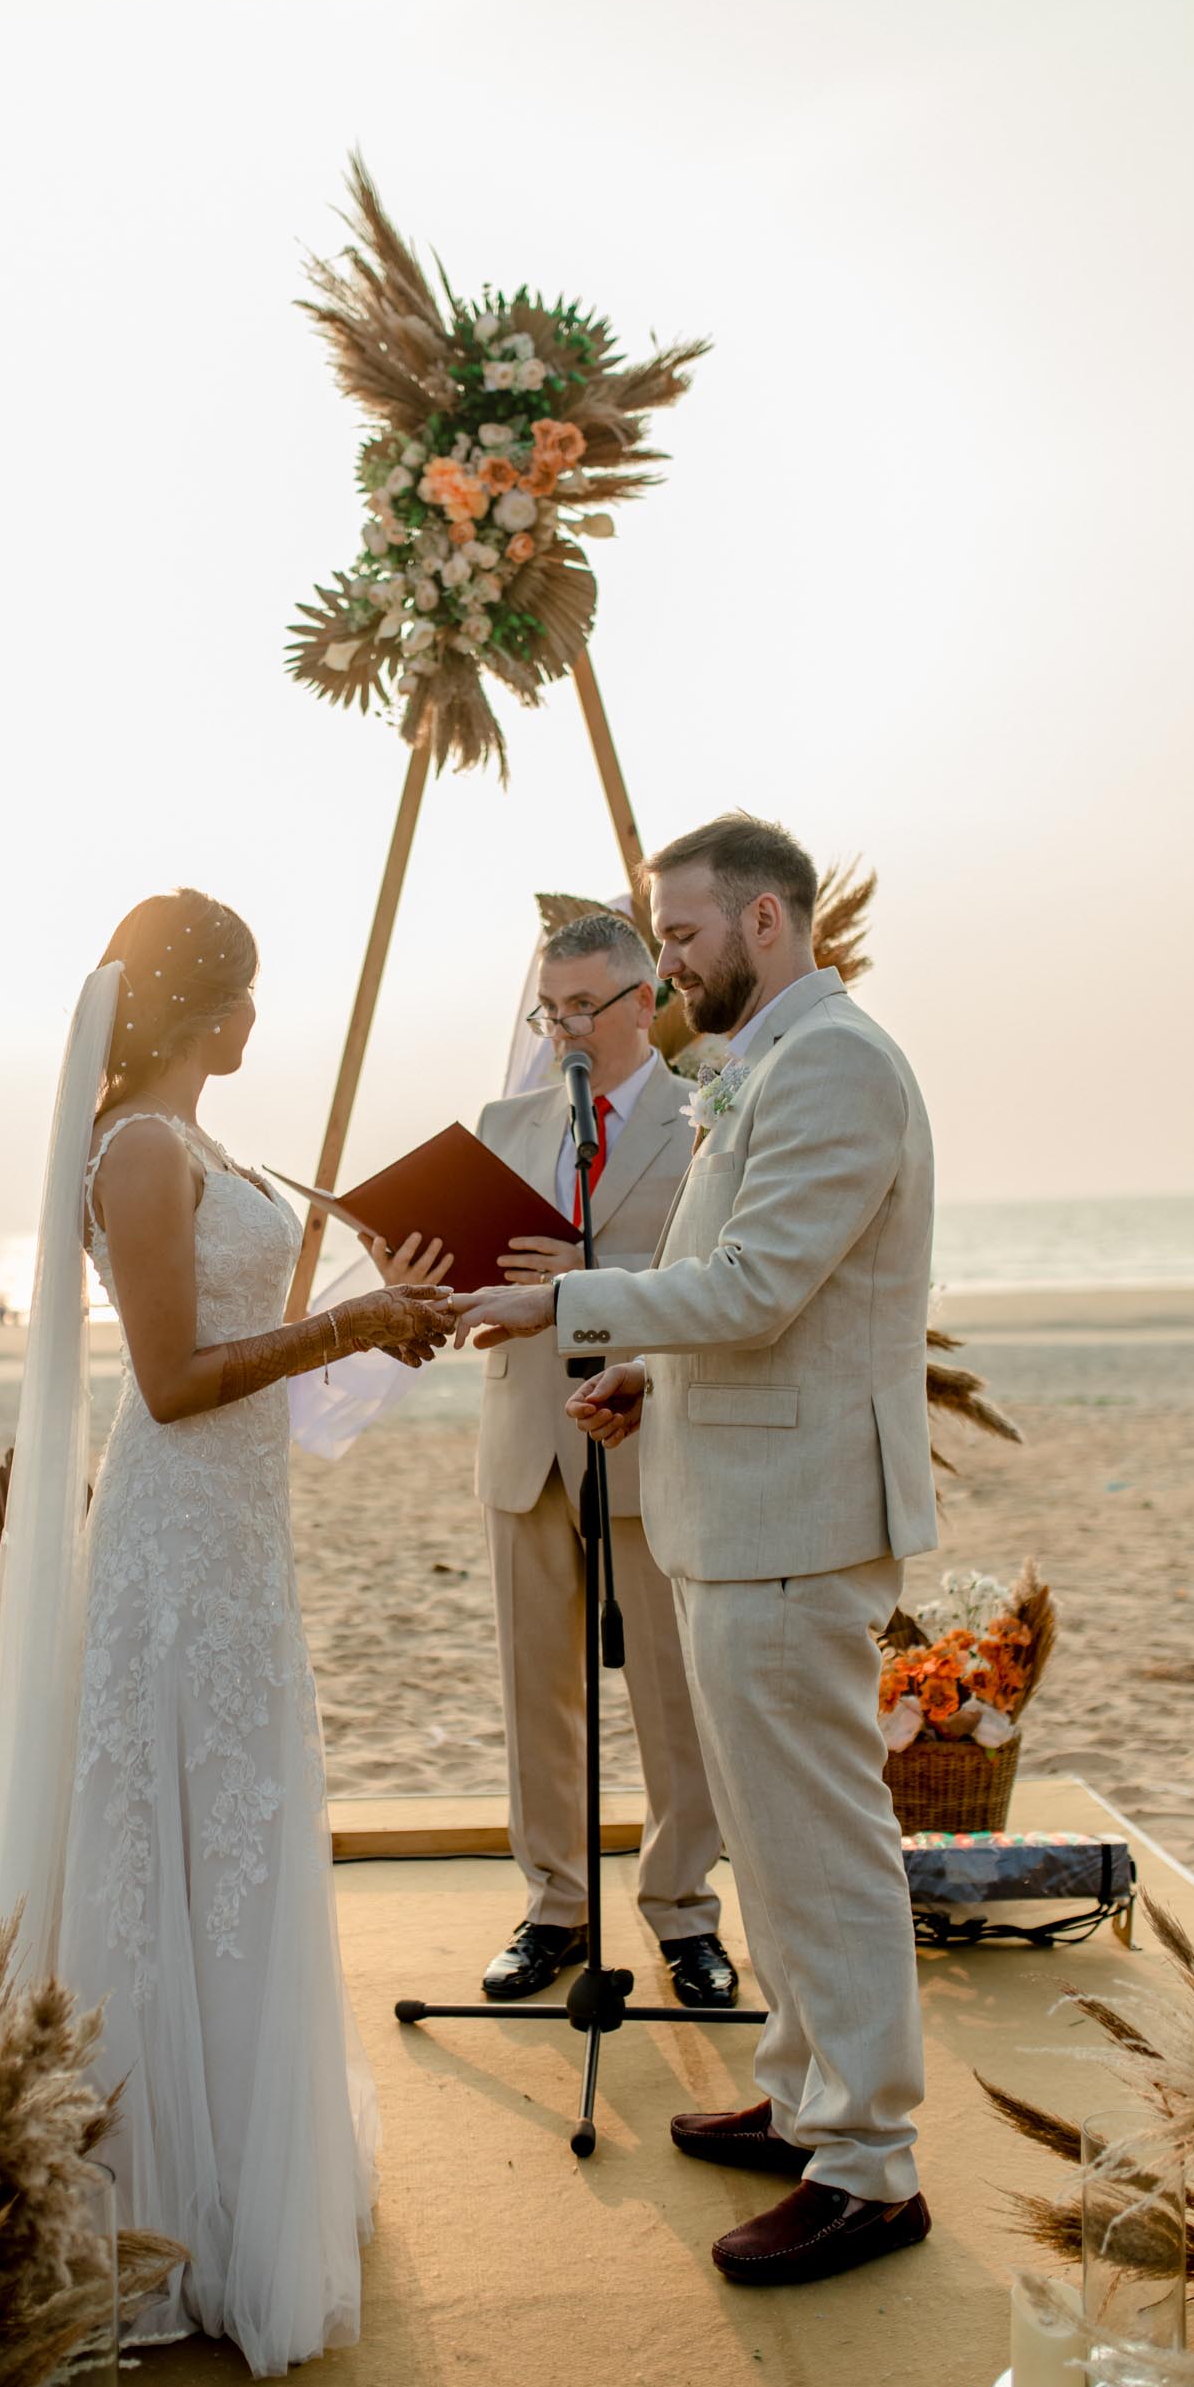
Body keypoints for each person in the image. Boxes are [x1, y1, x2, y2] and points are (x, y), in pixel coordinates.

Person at [0, 891, 455, 2379]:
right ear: (206, 1007)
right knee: (169, 1844)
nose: (255, 1019)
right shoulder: (139, 1150)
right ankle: (158, 2212)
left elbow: (251, 1341)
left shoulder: (206, 1145)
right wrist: (355, 1325)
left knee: (237, 1836)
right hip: (173, 1546)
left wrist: (384, 1312)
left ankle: (243, 2179)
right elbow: (172, 1382)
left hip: (238, 1541)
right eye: (246, 994)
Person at [451, 812, 937, 2291]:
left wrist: (567, 1308)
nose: (665, 967)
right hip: (735, 1507)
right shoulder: (770, 1062)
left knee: (820, 1844)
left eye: (678, 935)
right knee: (771, 1838)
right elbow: (750, 1303)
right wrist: (643, 1379)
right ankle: (800, 2096)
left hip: (794, 1516)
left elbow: (757, 1282)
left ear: (764, 922)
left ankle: (868, 2167)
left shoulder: (836, 1063)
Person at [464, 911, 735, 2010]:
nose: (564, 1029)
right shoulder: (504, 1122)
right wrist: (423, 1263)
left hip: (645, 1427)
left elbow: (715, 1269)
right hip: (523, 1440)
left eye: (583, 1006)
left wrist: (583, 1270)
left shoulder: (706, 1113)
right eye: (549, 1009)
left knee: (672, 1695)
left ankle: (682, 1911)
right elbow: (478, 1269)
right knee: (535, 1691)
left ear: (642, 1003)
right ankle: (554, 1906)